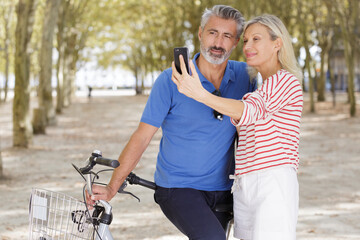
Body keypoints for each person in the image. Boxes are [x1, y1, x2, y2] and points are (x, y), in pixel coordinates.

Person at [86, 5, 256, 240]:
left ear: (236, 42)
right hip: (178, 188)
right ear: (200, 34)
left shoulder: (246, 77)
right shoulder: (170, 80)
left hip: (225, 190)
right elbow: (142, 137)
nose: (218, 42)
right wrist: (112, 187)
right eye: (212, 33)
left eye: (227, 36)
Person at [172, 14, 303, 240]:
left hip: (272, 182)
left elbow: (249, 110)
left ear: (277, 43)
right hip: (245, 183)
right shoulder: (259, 88)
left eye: (256, 39)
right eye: (245, 40)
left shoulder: (286, 81)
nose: (248, 46)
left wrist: (199, 94)